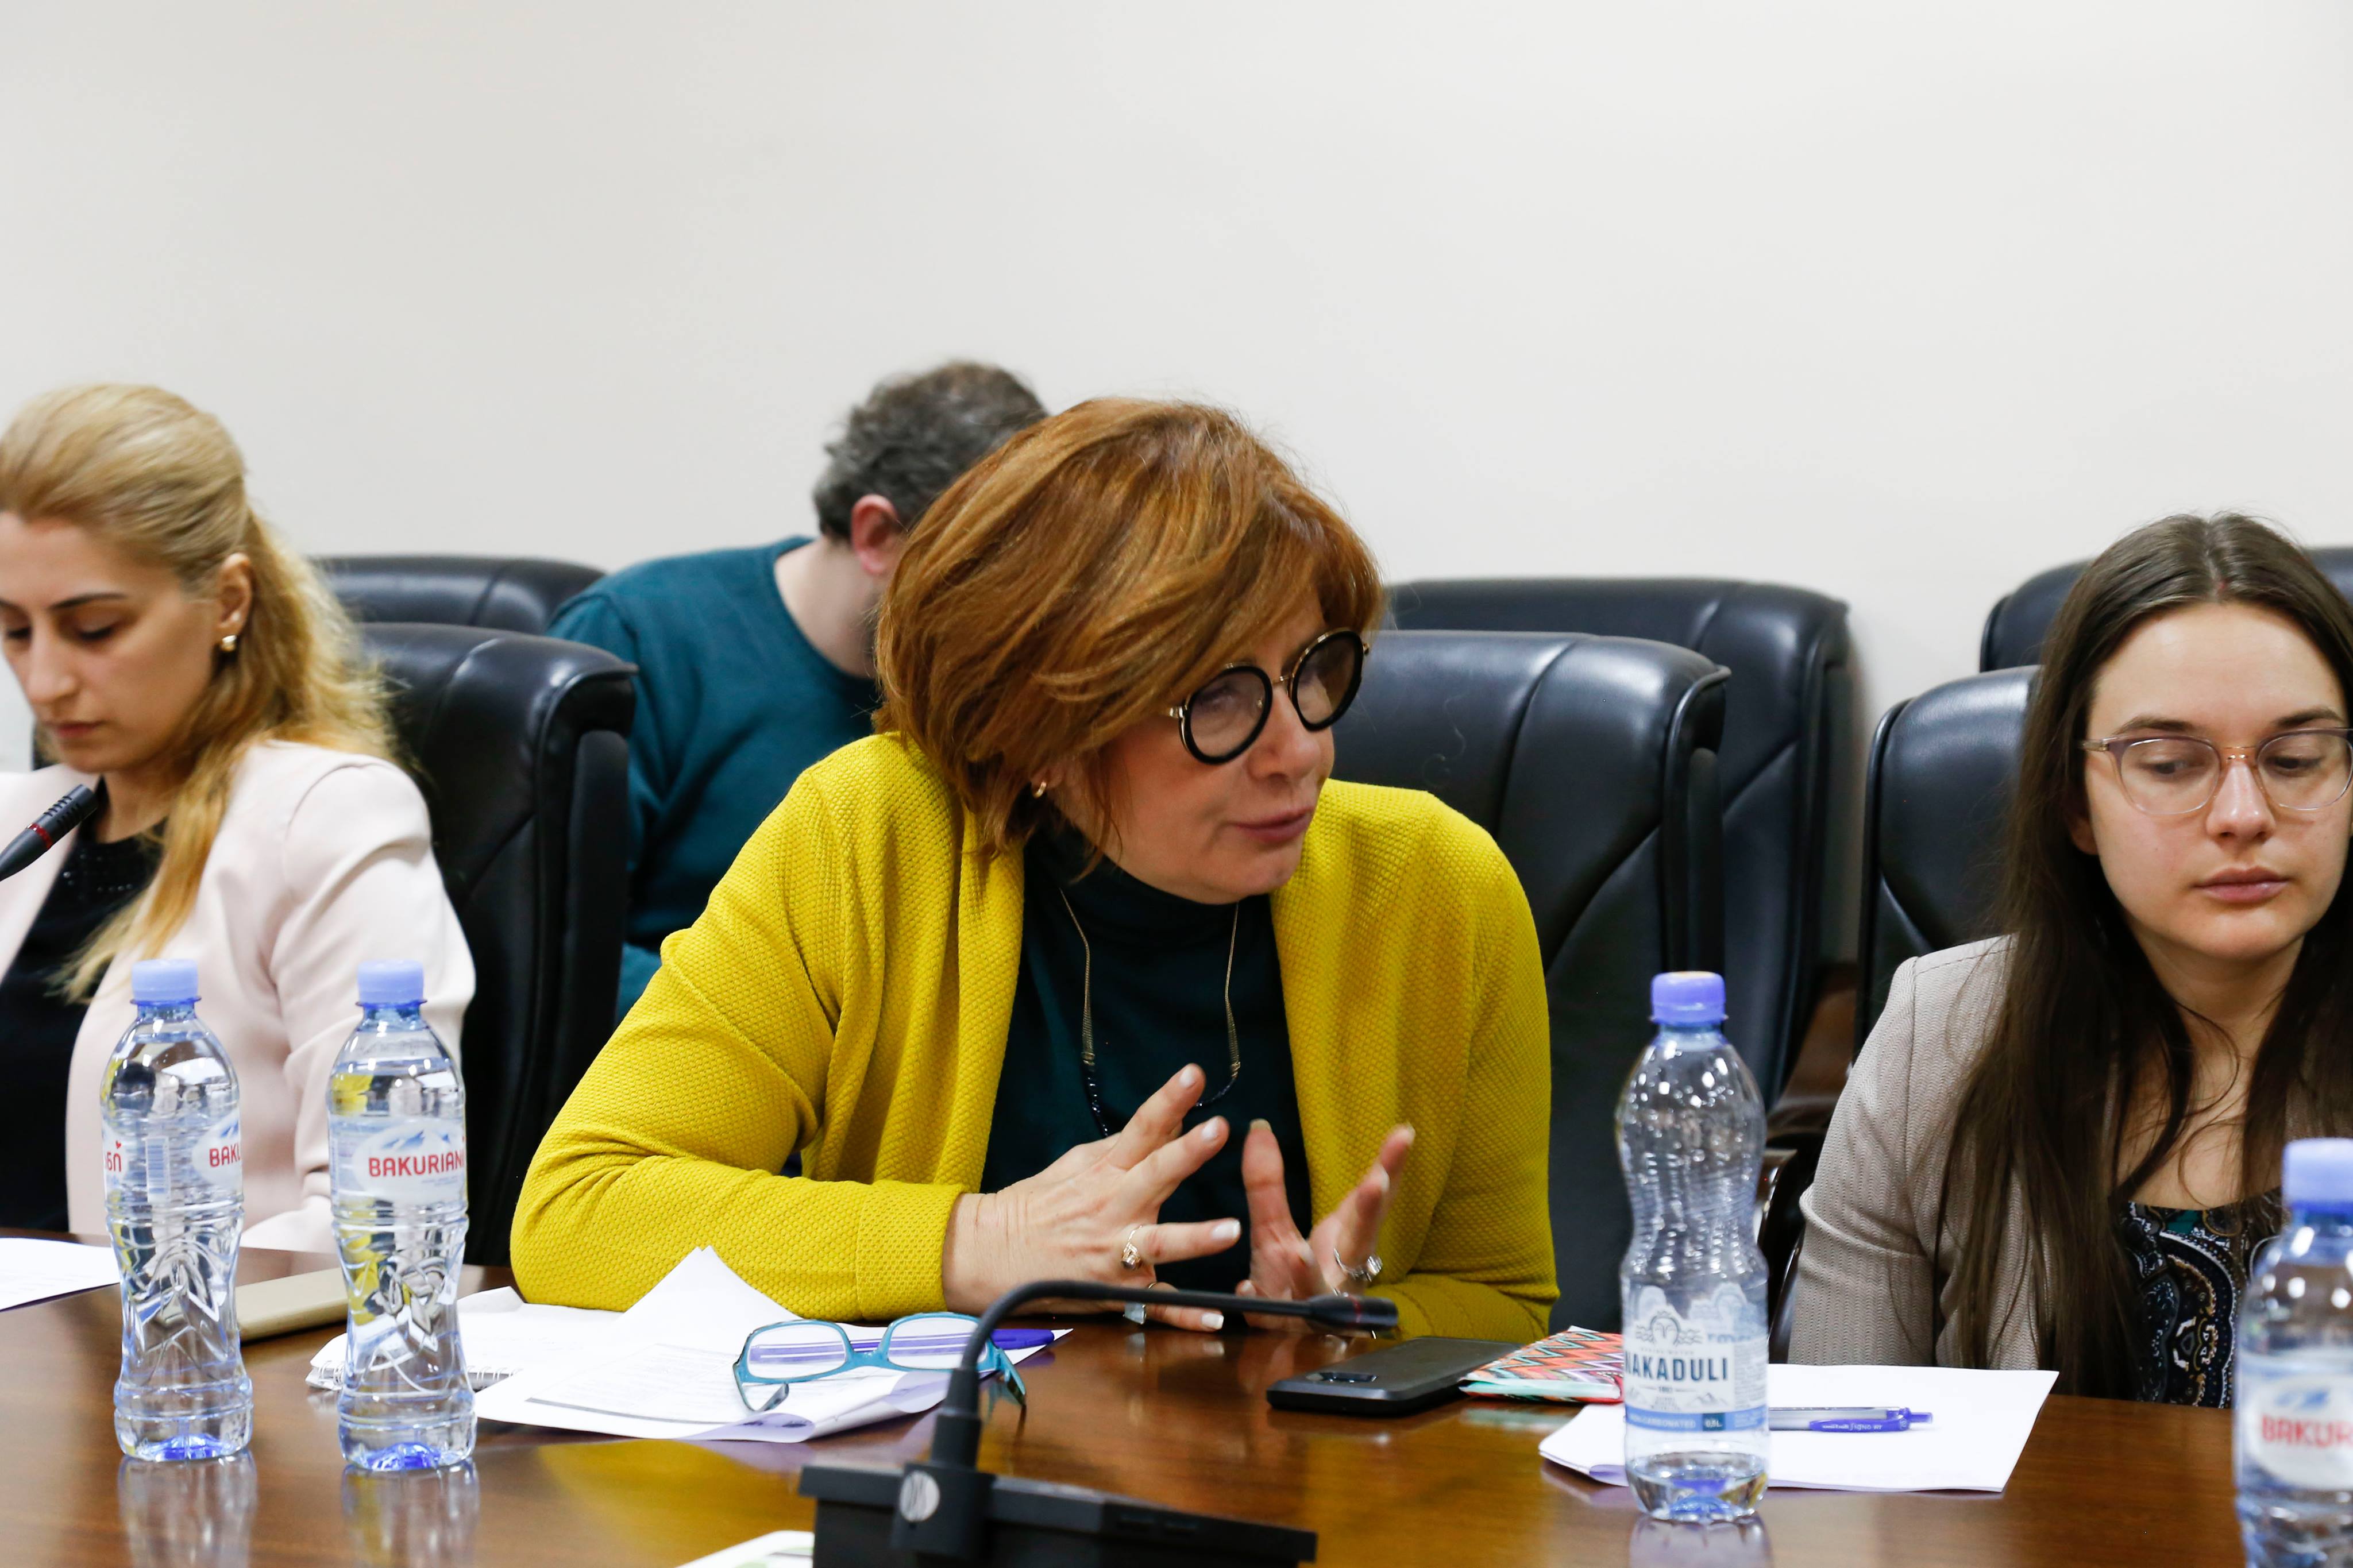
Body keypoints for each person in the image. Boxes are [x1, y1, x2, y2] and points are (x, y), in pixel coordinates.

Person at [514, 399, 1555, 1341]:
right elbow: (580, 1210)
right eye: (1220, 700)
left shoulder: (1438, 886)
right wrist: (978, 1242)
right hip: (950, 1466)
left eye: (1313, 672)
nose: (1301, 749)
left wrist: (1349, 1322)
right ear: (1041, 731)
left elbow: (1504, 1299)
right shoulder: (868, 836)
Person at [1792, 513, 2353, 1404]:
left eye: (2295, 758)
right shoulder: (1937, 1036)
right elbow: (1842, 1437)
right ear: (2075, 804)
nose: (2243, 814)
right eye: (2170, 764)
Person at [0, 384, 472, 1250]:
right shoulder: (17, 826)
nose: (45, 681)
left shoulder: (326, 821)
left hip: (198, 1331)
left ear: (227, 602)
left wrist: (163, 1310)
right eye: (14, 631)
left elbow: (378, 1213)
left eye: (94, 629)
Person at [549, 362, 1047, 1018]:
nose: (1011, 615)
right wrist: (797, 1030)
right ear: (877, 535)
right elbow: (556, 952)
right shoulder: (640, 636)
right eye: (985, 574)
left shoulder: (993, 685)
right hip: (690, 1049)